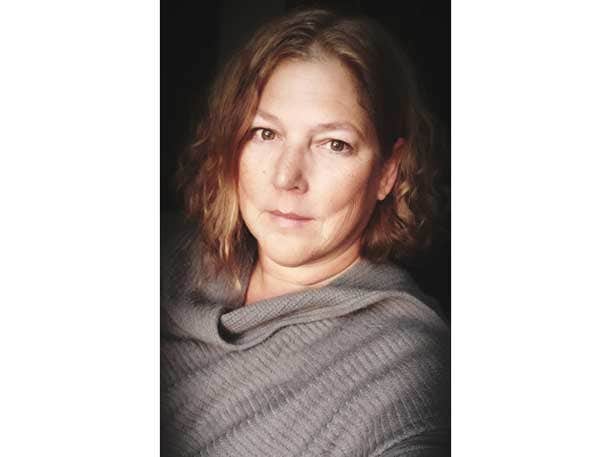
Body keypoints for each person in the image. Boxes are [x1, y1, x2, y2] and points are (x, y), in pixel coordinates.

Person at [161, 7, 449, 457]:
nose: (287, 177)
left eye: (334, 144)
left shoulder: (408, 367)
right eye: (264, 133)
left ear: (388, 172)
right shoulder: (171, 256)